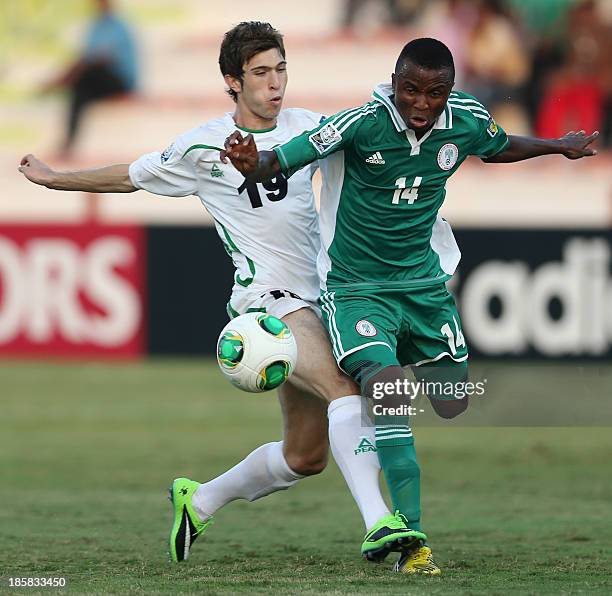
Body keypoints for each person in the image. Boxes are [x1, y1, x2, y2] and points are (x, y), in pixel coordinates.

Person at [18, 22, 427, 573]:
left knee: (305, 458)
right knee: (345, 389)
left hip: (327, 297)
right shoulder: (201, 146)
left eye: (281, 69)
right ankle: (382, 526)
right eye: (261, 73)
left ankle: (200, 499)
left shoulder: (310, 127)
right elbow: (129, 176)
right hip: (268, 301)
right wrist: (54, 178)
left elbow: (376, 144)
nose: (275, 83)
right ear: (233, 81)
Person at [222, 37, 598, 574]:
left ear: (450, 91)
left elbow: (499, 145)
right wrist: (253, 163)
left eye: (434, 93)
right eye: (410, 91)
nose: (421, 104)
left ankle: (391, 399)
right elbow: (289, 155)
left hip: (423, 288)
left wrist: (557, 146)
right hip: (356, 289)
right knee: (389, 387)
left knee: (451, 400)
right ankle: (410, 537)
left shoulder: (464, 120)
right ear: (394, 83)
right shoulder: (363, 123)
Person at [41, 0, 138, 155]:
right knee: (79, 90)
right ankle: (68, 142)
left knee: (85, 74)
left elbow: (101, 58)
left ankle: (60, 84)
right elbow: (86, 57)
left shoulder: (118, 27)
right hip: (97, 78)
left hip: (119, 80)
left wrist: (66, 76)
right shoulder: (95, 27)